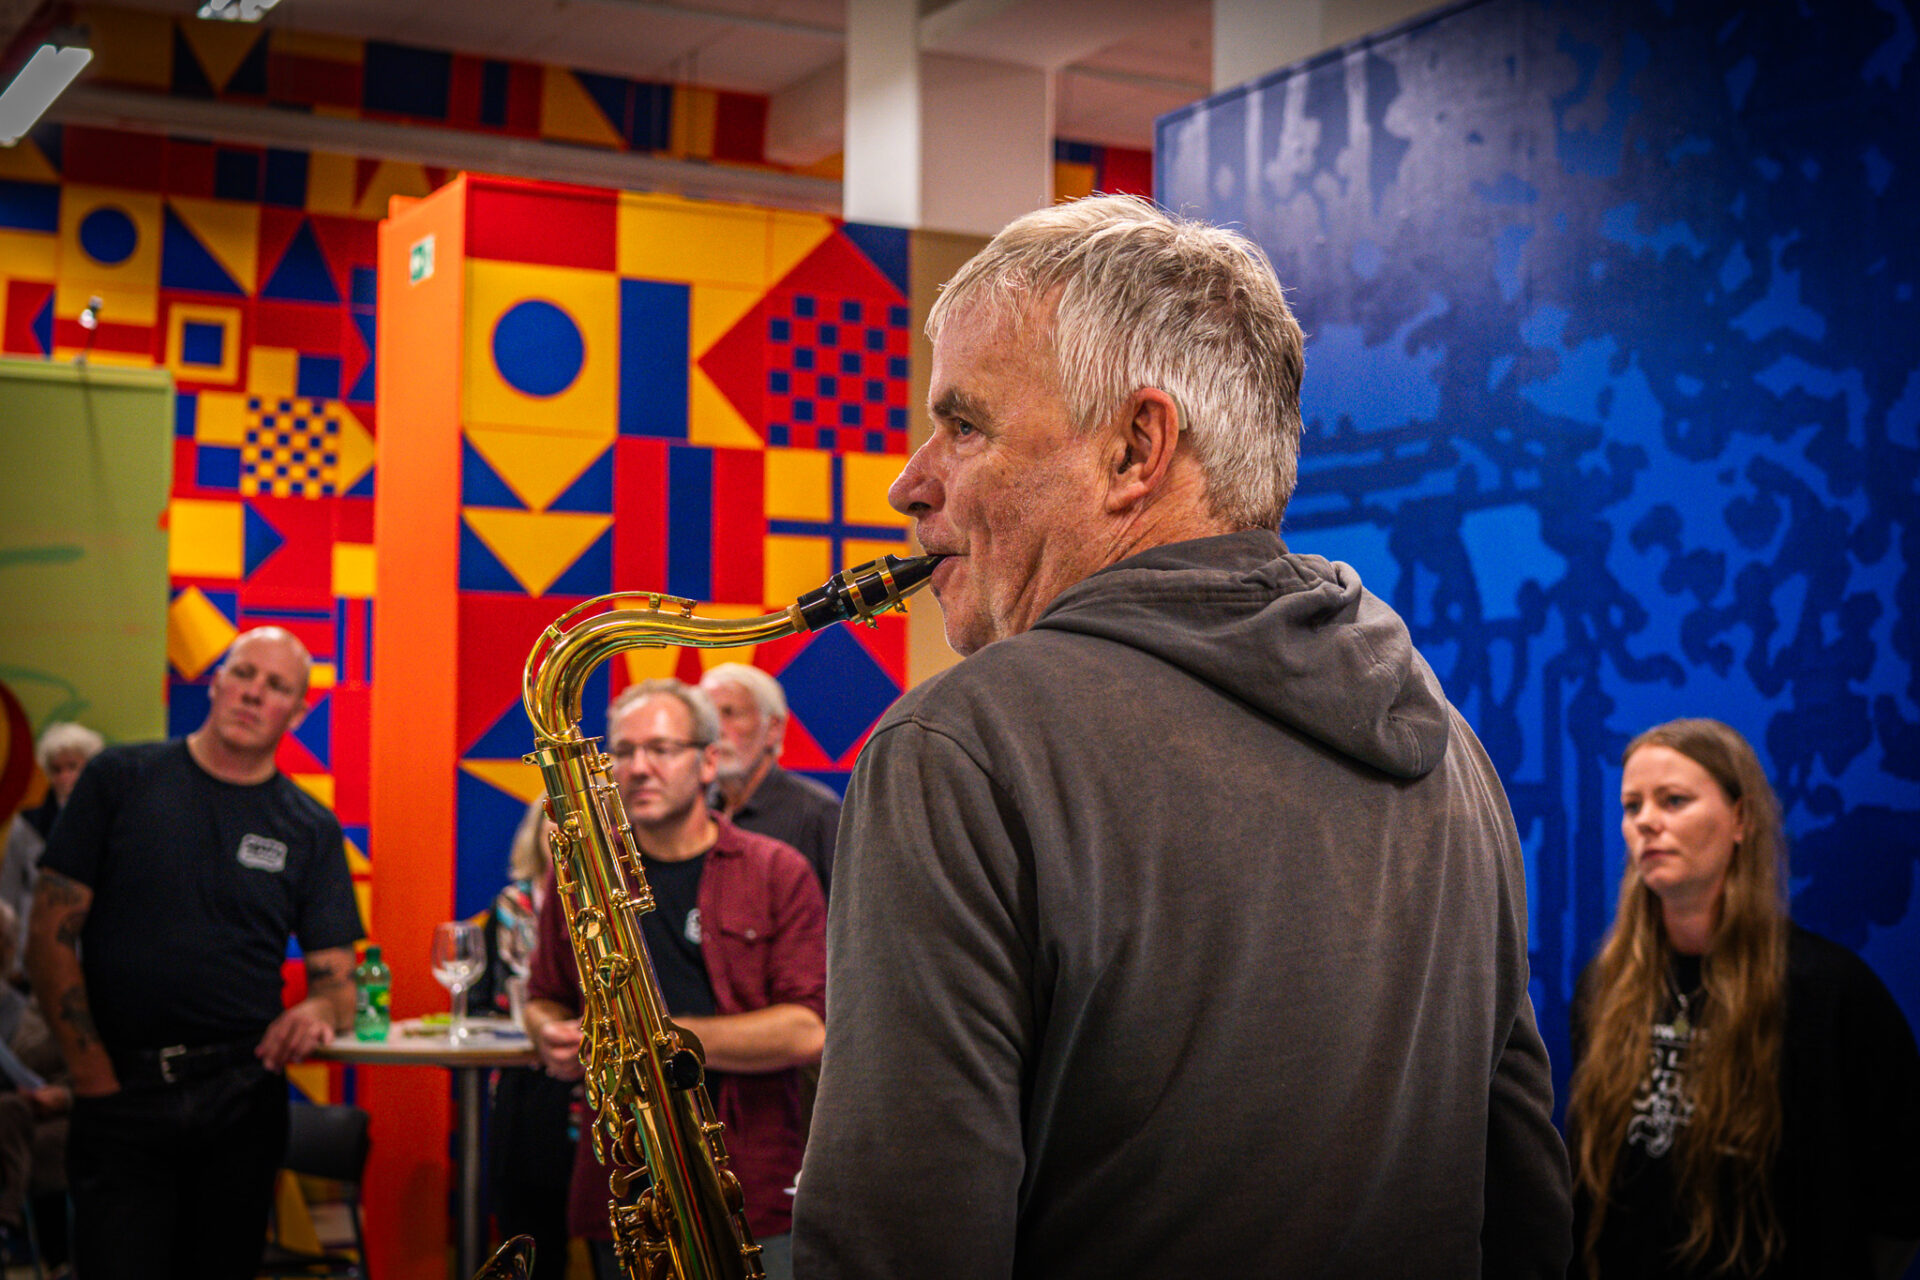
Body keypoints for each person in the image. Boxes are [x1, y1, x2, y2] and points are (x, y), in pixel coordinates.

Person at [790, 194, 1571, 1277]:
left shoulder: (959, 748)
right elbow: (1528, 1209)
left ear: (1135, 448)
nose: (909, 481)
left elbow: (896, 1246)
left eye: (963, 425)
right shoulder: (1454, 751)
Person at [26, 626, 363, 1280]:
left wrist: (319, 1007)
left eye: (276, 687)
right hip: (119, 1089)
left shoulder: (309, 828)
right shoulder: (118, 780)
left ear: (296, 713)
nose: (252, 694)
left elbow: (339, 980)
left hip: (242, 1099)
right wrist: (91, 1075)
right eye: (243, 674)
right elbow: (47, 934)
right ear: (216, 680)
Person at [1567, 718, 1920, 1277]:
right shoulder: (1604, 986)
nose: (1647, 823)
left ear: (1741, 818)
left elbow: (1901, 1188)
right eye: (1632, 806)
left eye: (1674, 800)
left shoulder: (1829, 991)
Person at [522, 678, 825, 1280]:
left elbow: (805, 1030)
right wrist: (549, 1033)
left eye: (660, 749)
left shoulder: (776, 871)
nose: (638, 768)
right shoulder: (581, 876)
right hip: (629, 1184)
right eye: (625, 751)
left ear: (708, 760)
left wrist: (651, 1040)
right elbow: (545, 999)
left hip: (751, 1182)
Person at [480, 800, 575, 1280]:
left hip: (591, 1076)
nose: (560, 836)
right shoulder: (512, 904)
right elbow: (495, 991)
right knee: (528, 1215)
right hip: (527, 1071)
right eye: (551, 824)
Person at [700, 663, 841, 896]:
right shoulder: (698, 807)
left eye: (729, 713)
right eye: (707, 717)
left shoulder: (817, 813)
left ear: (773, 728)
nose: (716, 729)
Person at [1, 722, 105, 975]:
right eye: (56, 770)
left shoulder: (112, 823)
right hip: (34, 956)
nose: (65, 778)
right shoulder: (27, 824)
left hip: (98, 956)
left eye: (73, 767)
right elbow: (8, 894)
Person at [0, 899, 68, 1263]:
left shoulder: (51, 1007)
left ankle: (11, 1229)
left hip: (41, 1112)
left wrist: (62, 1097)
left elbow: (82, 1076)